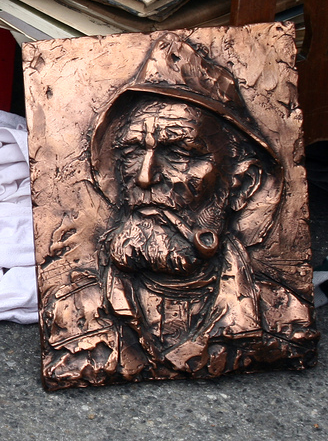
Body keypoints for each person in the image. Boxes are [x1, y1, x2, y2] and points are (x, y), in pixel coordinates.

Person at [42, 33, 317, 388]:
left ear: (242, 183)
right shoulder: (69, 313)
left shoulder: (285, 317)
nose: (144, 177)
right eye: (131, 152)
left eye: (179, 153)